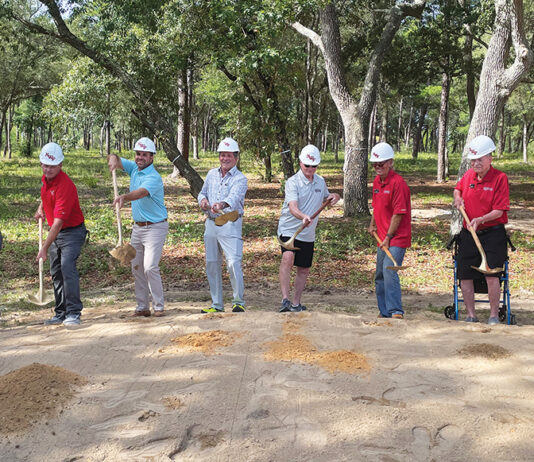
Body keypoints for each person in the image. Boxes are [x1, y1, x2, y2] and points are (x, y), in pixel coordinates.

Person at [108, 137, 169, 317]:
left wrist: (124, 197)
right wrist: (112, 158)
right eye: (138, 154)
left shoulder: (154, 177)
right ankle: (142, 306)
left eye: (144, 154)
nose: (140, 157)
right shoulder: (134, 168)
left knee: (150, 267)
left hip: (156, 227)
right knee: (136, 266)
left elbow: (141, 192)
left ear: (151, 157)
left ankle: (158, 306)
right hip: (138, 228)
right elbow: (116, 159)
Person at [453, 135, 509, 325]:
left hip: (492, 233)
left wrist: (481, 219)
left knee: (492, 274)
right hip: (469, 233)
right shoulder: (469, 175)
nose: (476, 163)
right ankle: (471, 315)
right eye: (473, 159)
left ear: (489, 158)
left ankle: (493, 315)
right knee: (464, 274)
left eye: (480, 159)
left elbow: (499, 210)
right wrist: (457, 198)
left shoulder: (500, 178)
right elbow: (457, 189)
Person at [277, 144, 340, 312]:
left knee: (303, 268)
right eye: (307, 165)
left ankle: (296, 303)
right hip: (289, 229)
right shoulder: (292, 182)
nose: (311, 169)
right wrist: (303, 216)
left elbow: (329, 198)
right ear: (300, 163)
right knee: (287, 258)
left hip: (308, 233)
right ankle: (285, 300)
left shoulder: (320, 181)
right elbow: (292, 207)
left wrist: (335, 196)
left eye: (314, 166)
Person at [35, 142, 87, 326]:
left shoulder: (66, 185)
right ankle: (60, 312)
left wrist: (44, 247)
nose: (48, 169)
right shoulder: (46, 180)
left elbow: (57, 224)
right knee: (55, 271)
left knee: (66, 267)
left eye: (52, 166)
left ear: (60, 165)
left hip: (72, 232)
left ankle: (73, 312)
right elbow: (47, 195)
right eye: (45, 165)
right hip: (57, 232)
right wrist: (41, 207)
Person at [198, 137, 248, 313]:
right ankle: (217, 304)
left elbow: (234, 198)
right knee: (212, 263)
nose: (225, 158)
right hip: (211, 223)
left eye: (228, 155)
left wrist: (221, 204)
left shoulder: (241, 178)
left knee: (233, 262)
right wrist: (203, 200)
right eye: (222, 155)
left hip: (230, 223)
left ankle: (238, 301)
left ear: (236, 158)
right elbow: (202, 193)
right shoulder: (212, 174)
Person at [367, 142, 411, 319]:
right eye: (375, 164)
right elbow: (376, 206)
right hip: (382, 237)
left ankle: (395, 311)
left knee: (389, 269)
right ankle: (384, 311)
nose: (378, 167)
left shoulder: (398, 183)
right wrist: (372, 224)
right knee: (379, 275)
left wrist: (388, 237)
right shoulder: (377, 181)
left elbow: (398, 214)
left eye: (381, 163)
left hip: (396, 238)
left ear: (390, 162)